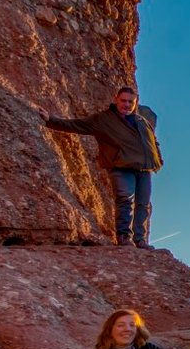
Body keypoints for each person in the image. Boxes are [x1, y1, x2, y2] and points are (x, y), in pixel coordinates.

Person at [38, 86, 163, 248]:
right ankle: (124, 237)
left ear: (136, 102)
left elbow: (153, 141)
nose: (126, 105)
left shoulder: (142, 121)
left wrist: (158, 158)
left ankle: (140, 240)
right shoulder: (104, 119)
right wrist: (50, 120)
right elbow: (77, 125)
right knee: (125, 199)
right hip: (120, 166)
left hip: (144, 169)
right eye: (123, 101)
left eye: (130, 102)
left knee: (143, 204)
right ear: (116, 99)